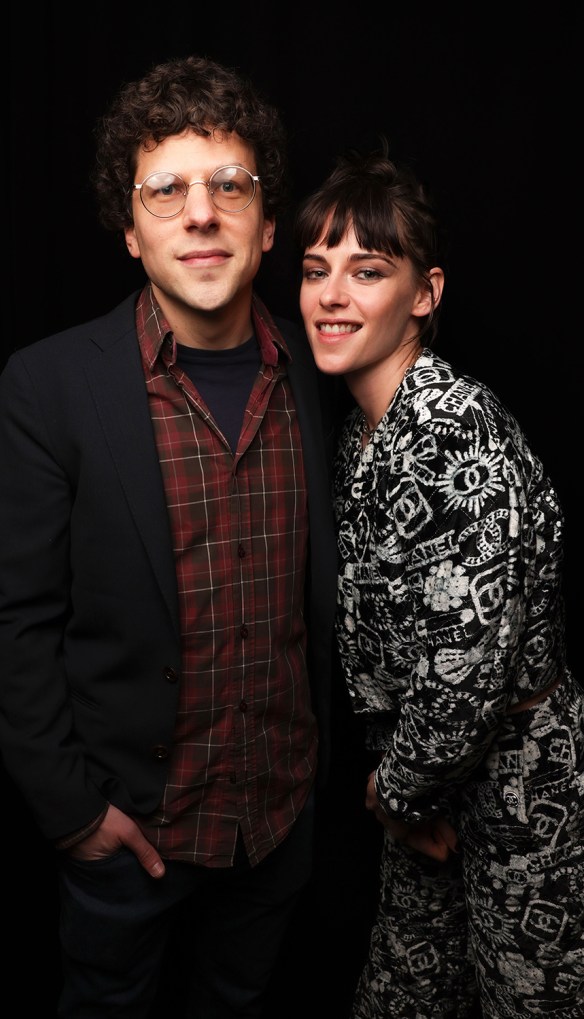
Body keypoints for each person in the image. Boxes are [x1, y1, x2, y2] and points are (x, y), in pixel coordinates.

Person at [0, 55, 337, 1019]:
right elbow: (15, 619)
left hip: (275, 825)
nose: (200, 211)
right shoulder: (51, 386)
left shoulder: (316, 367)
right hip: (130, 833)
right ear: (131, 230)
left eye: (229, 183)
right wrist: (74, 813)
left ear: (267, 226)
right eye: (166, 189)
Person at [296, 144, 584, 1019]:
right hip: (424, 788)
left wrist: (392, 792)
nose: (332, 295)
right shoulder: (362, 435)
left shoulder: (451, 430)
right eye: (316, 270)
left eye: (367, 270)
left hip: (519, 791)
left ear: (424, 294)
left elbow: (467, 673)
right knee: (404, 999)